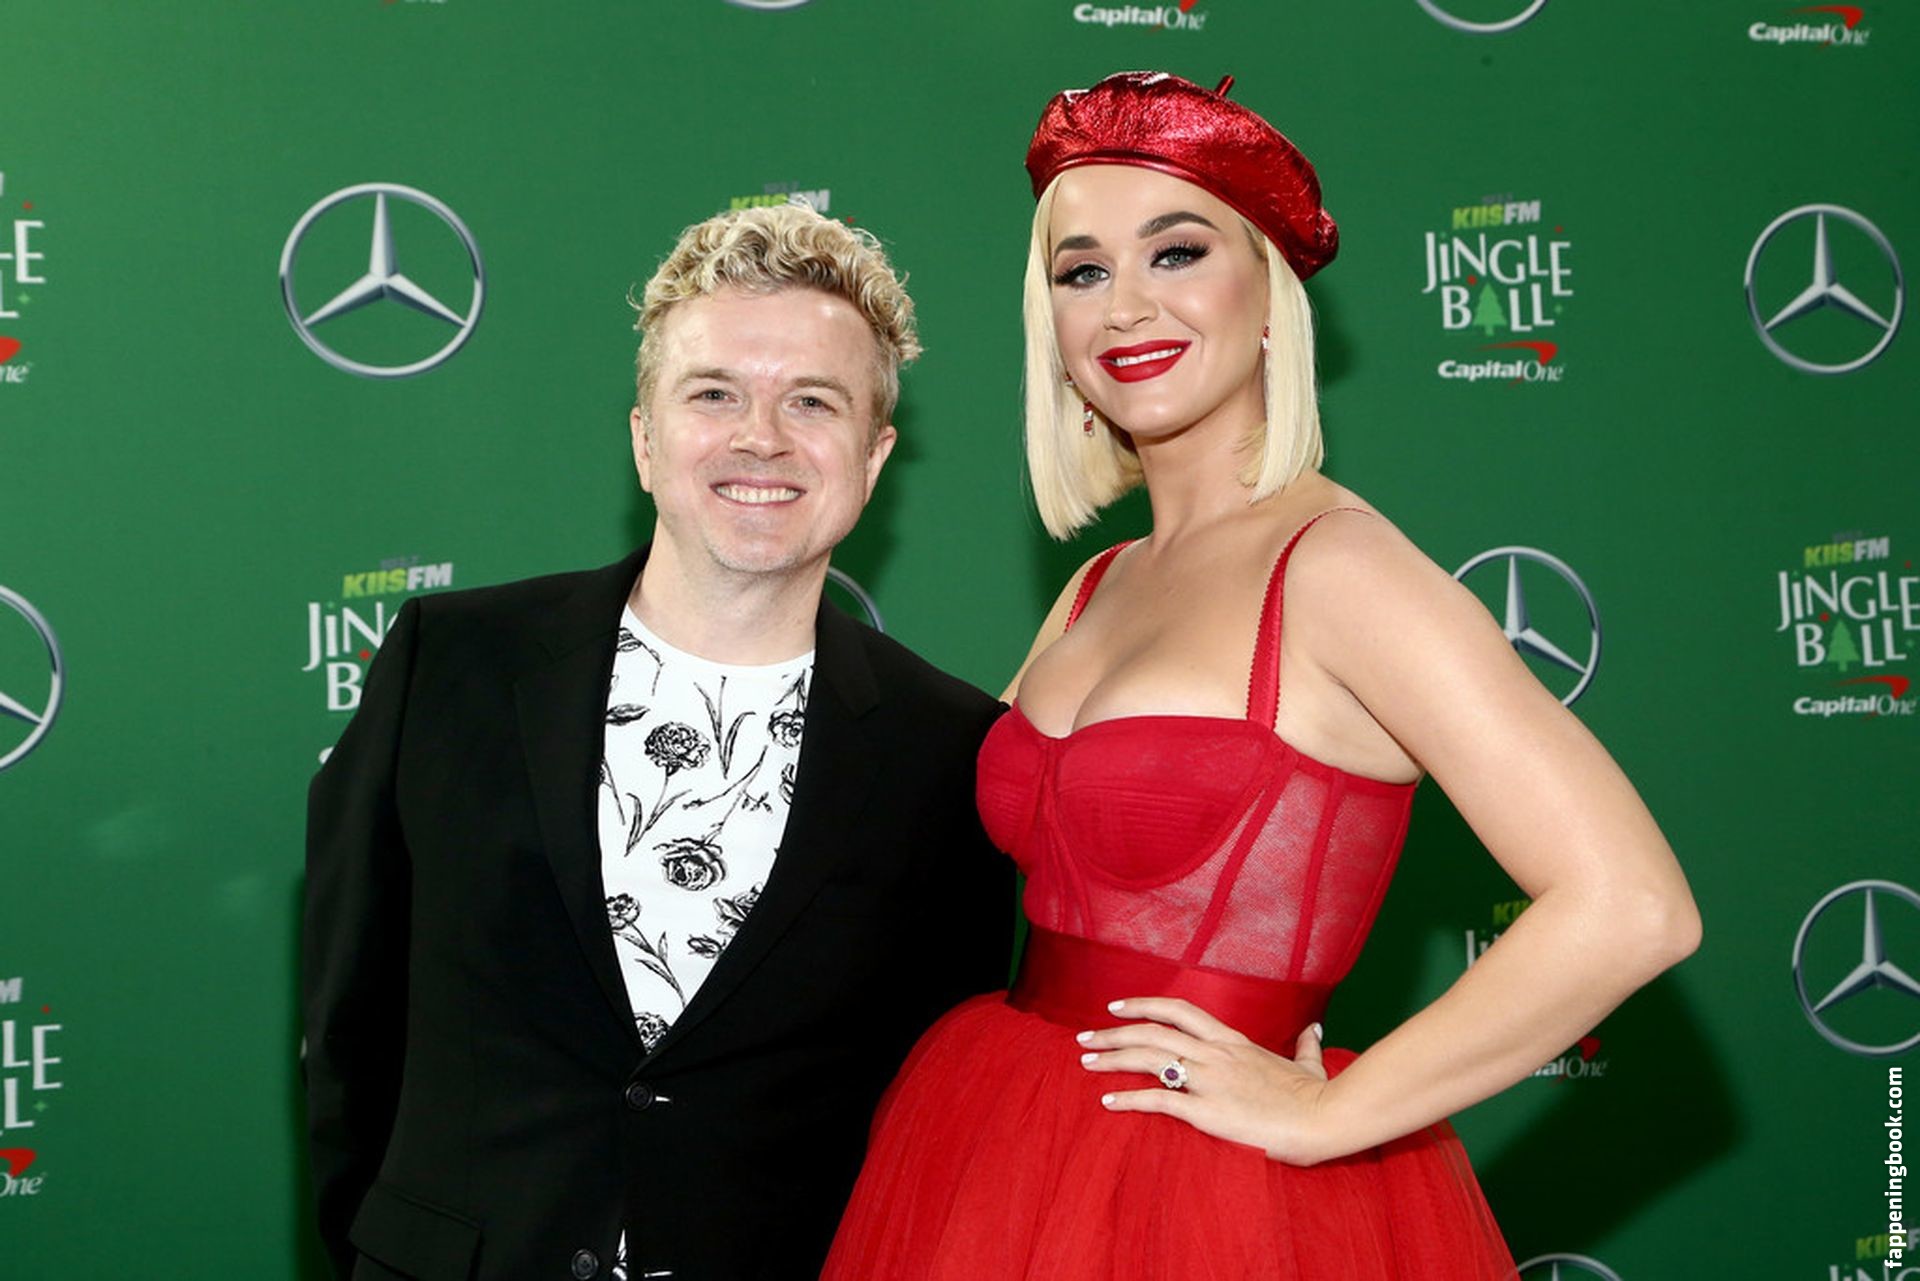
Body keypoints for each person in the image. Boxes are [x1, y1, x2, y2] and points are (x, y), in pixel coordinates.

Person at [823, 71, 1701, 1278]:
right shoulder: (1097, 583)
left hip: (1216, 1194)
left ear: (1273, 294)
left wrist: (1333, 1112)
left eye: (1176, 252)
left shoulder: (1341, 570)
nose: (1127, 305)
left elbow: (1633, 905)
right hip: (1000, 1130)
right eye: (1082, 272)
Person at [302, 203, 1013, 1281]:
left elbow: (938, 1108)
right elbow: (347, 1028)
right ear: (644, 438)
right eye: (714, 393)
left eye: (811, 401)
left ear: (873, 458)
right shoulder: (450, 665)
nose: (760, 437)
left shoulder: (949, 752)